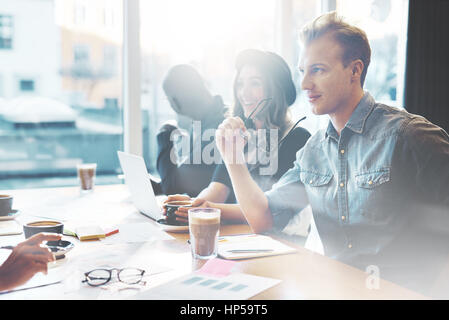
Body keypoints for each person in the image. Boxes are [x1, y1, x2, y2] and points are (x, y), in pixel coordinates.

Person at [213, 12, 449, 296]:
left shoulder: (406, 135)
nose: (304, 85)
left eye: (318, 70)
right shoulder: (313, 151)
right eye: (303, 71)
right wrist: (233, 160)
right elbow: (263, 217)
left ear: (355, 71)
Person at [166, 49, 311, 224]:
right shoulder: (241, 137)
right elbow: (217, 190)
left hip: (282, 243)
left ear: (276, 90)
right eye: (241, 84)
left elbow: (266, 211)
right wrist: (192, 204)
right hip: (241, 238)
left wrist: (206, 209)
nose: (245, 93)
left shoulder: (297, 139)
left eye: (255, 83)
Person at [154, 64, 227, 197]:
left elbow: (172, 187)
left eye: (169, 99)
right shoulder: (205, 121)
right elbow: (191, 179)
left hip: (214, 215)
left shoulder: (216, 129)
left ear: (175, 102)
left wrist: (164, 135)